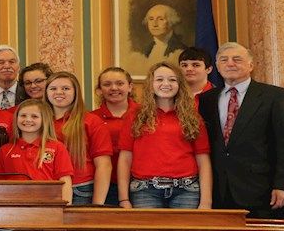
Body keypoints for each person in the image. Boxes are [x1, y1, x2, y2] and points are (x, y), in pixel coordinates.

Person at [198, 42, 284, 219]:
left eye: (237, 59)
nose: (230, 64)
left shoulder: (274, 96)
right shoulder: (206, 100)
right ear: (217, 67)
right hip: (219, 192)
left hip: (263, 194)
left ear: (251, 65)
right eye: (224, 60)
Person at [117, 62, 212, 209]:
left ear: (180, 84)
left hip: (186, 190)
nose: (166, 84)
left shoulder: (193, 117)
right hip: (145, 191)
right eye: (159, 79)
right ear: (151, 84)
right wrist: (123, 199)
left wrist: (206, 202)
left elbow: (203, 160)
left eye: (172, 80)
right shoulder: (135, 116)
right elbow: (125, 159)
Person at [45, 72, 113, 205]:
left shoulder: (91, 121)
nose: (59, 92)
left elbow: (104, 165)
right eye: (53, 88)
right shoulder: (38, 121)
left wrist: (97, 204)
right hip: (46, 188)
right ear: (46, 93)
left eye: (66, 88)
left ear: (76, 92)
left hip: (80, 189)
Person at [0, 99, 74, 204]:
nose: (28, 120)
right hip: (14, 208)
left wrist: (66, 209)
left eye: (34, 116)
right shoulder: (5, 150)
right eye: (23, 116)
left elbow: (65, 182)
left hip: (50, 207)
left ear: (44, 120)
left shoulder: (58, 147)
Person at [90, 67, 139, 206]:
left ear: (130, 87)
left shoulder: (144, 114)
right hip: (104, 185)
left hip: (140, 185)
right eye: (107, 84)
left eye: (119, 83)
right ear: (99, 90)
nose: (113, 88)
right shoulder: (91, 118)